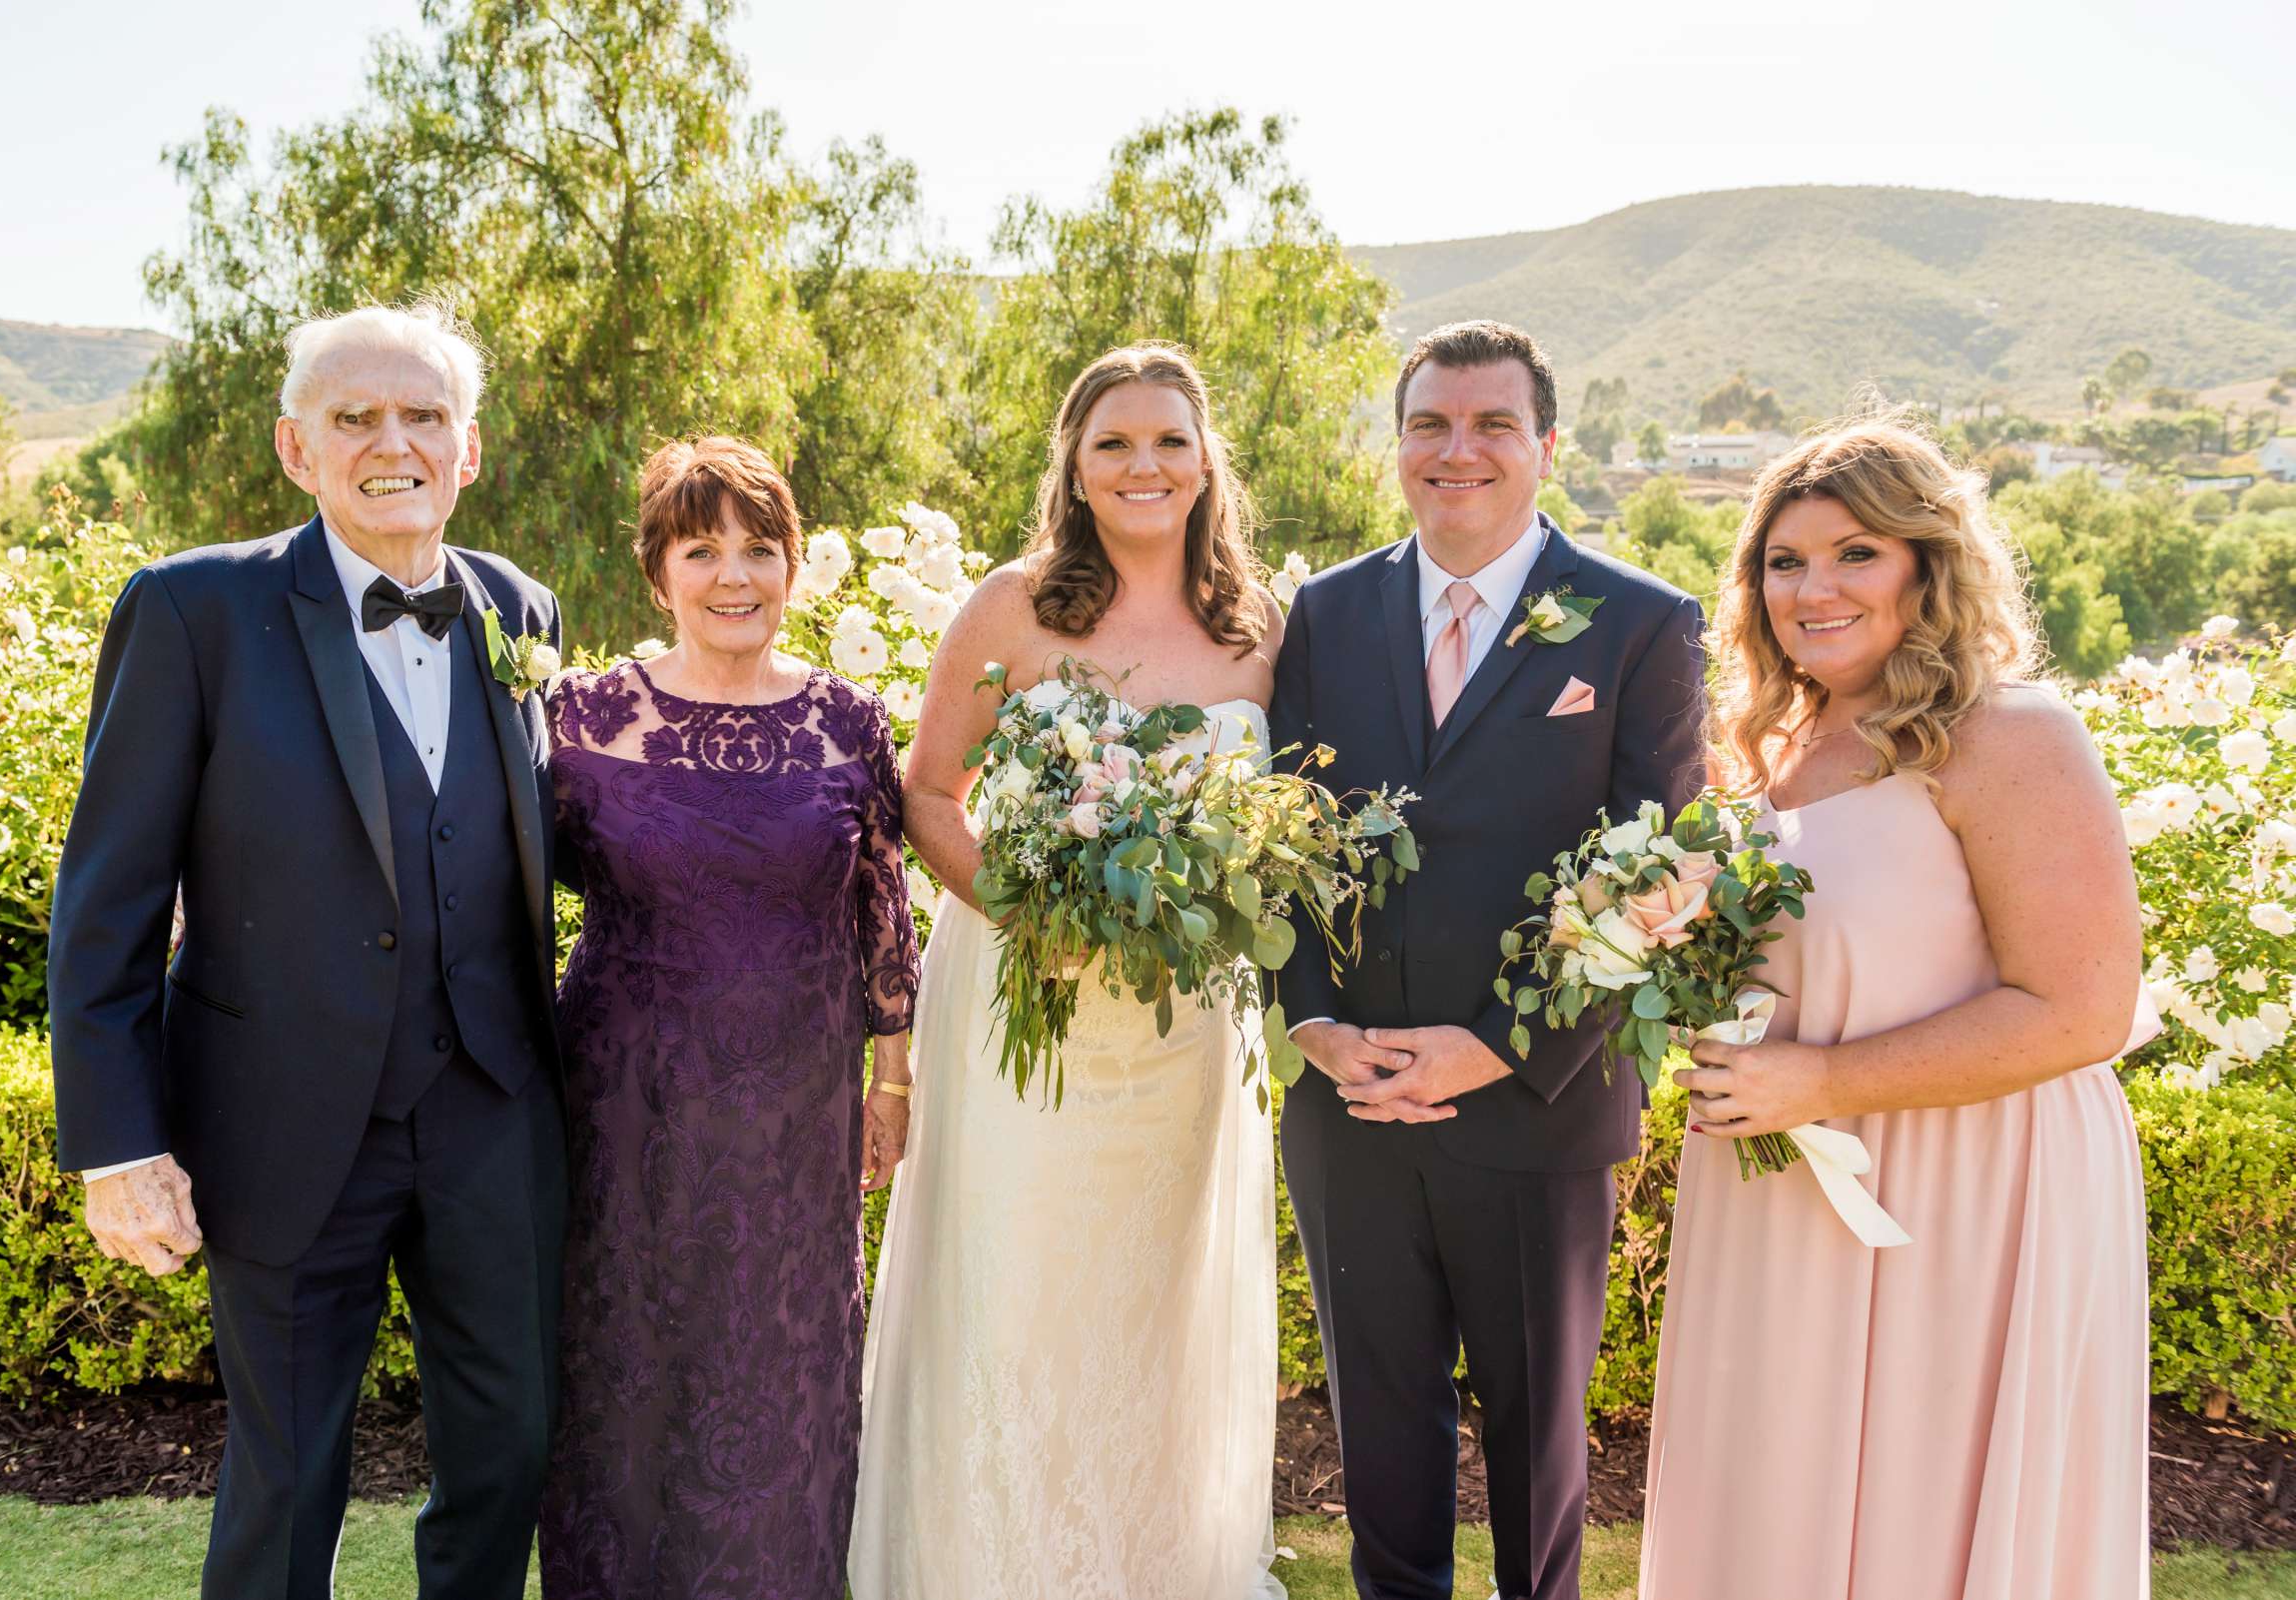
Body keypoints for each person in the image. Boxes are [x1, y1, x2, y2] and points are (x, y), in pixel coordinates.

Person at [48, 301, 566, 1598]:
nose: (393, 442)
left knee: (509, 1453)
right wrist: (118, 1144)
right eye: (356, 417)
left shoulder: (521, 607)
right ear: (298, 447)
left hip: (494, 1121)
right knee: (286, 1481)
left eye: (423, 416)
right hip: (277, 1120)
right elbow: (108, 898)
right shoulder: (190, 611)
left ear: (470, 448)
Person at [1639, 420, 2155, 1600]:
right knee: (1774, 1478)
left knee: (1929, 1502)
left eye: (1854, 553)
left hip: (1967, 1187)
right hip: (1778, 1180)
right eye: (1783, 562)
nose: (1811, 588)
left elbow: (2084, 1010)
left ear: (1928, 564)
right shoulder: (1758, 750)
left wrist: (1820, 1083)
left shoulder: (2011, 736)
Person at [1272, 320, 1707, 1600]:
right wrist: (1312, 1027)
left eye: (1492, 424)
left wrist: (1502, 1047)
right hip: (1349, 1108)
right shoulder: (1327, 613)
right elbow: (1282, 841)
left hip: (1538, 1111)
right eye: (1429, 424)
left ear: (1546, 446)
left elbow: (1665, 877)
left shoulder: (1639, 626)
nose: (1457, 451)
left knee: (1536, 1462)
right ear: (1397, 443)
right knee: (1382, 1451)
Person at [849, 344, 1287, 1599]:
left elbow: (1275, 827)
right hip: (1020, 1013)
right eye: (1114, 444)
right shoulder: (1013, 608)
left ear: (1207, 461)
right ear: (1076, 468)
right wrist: (1032, 916)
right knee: (1015, 1294)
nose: (1143, 465)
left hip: (1182, 1030)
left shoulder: (1257, 630)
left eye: (1168, 440)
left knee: (1151, 1306)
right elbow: (928, 794)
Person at [535, 435, 919, 1599]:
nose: (734, 575)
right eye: (702, 549)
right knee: (625, 1366)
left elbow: (884, 913)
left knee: (784, 1368)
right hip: (624, 1109)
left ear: (794, 566)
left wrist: (891, 1081)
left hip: (797, 1119)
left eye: (760, 548)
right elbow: (493, 900)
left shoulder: (846, 722)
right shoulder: (583, 718)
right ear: (659, 572)